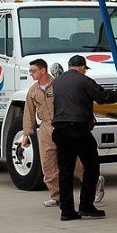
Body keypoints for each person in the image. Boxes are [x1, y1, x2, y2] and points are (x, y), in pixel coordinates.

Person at [52, 55, 117, 221]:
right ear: (82, 67)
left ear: (69, 66)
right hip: (78, 129)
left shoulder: (57, 82)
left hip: (59, 130)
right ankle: (86, 206)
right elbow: (103, 96)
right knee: (91, 166)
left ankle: (66, 210)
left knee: (65, 171)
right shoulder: (84, 80)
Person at [21, 59, 104, 207]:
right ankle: (56, 195)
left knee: (77, 162)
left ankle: (94, 184)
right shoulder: (33, 91)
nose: (30, 74)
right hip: (46, 128)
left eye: (33, 70)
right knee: (47, 162)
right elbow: (29, 112)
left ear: (43, 70)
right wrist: (26, 134)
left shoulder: (58, 85)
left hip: (62, 124)